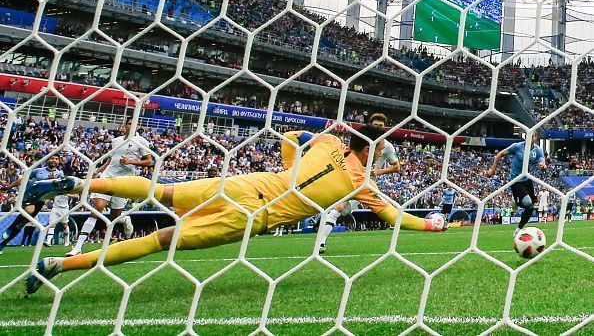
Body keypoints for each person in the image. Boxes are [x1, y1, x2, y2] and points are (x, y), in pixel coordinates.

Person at [24, 125, 444, 294]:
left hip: (249, 184)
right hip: (252, 216)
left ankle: (79, 182)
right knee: (156, 241)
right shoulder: (363, 183)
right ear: (369, 149)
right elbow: (392, 217)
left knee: (162, 191)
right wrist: (429, 226)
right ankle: (58, 264)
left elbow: (290, 135)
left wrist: (290, 169)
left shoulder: (329, 142)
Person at [318, 113, 406, 254]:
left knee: (346, 210)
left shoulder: (386, 146)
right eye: (375, 125)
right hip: (351, 178)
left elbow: (396, 166)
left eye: (381, 126)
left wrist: (377, 172)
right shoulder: (359, 139)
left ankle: (401, 236)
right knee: (338, 209)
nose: (378, 128)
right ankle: (320, 243)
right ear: (369, 125)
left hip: (368, 184)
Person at [65, 117, 153, 257]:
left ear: (138, 127)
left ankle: (125, 219)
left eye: (134, 124)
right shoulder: (116, 141)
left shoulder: (142, 142)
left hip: (124, 181)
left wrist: (131, 161)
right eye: (129, 123)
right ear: (125, 126)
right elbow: (110, 160)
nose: (131, 126)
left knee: (114, 217)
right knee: (97, 209)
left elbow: (149, 161)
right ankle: (78, 247)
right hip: (107, 177)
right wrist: (97, 172)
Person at [0, 155, 64, 254]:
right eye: (52, 158)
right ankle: (10, 229)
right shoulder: (38, 171)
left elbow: (59, 189)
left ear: (59, 161)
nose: (54, 160)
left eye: (56, 159)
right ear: (47, 160)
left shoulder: (60, 174)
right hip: (30, 195)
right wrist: (8, 187)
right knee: (29, 211)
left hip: (41, 200)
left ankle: (3, 244)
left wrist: (53, 182)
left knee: (22, 224)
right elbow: (23, 179)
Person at [487, 134, 546, 235]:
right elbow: (500, 154)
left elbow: (542, 160)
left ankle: (519, 228)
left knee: (531, 207)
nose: (529, 138)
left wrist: (543, 165)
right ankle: (516, 200)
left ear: (535, 137)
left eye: (532, 136)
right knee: (527, 203)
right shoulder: (517, 147)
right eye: (527, 136)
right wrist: (493, 169)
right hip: (516, 180)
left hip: (527, 179)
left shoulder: (537, 150)